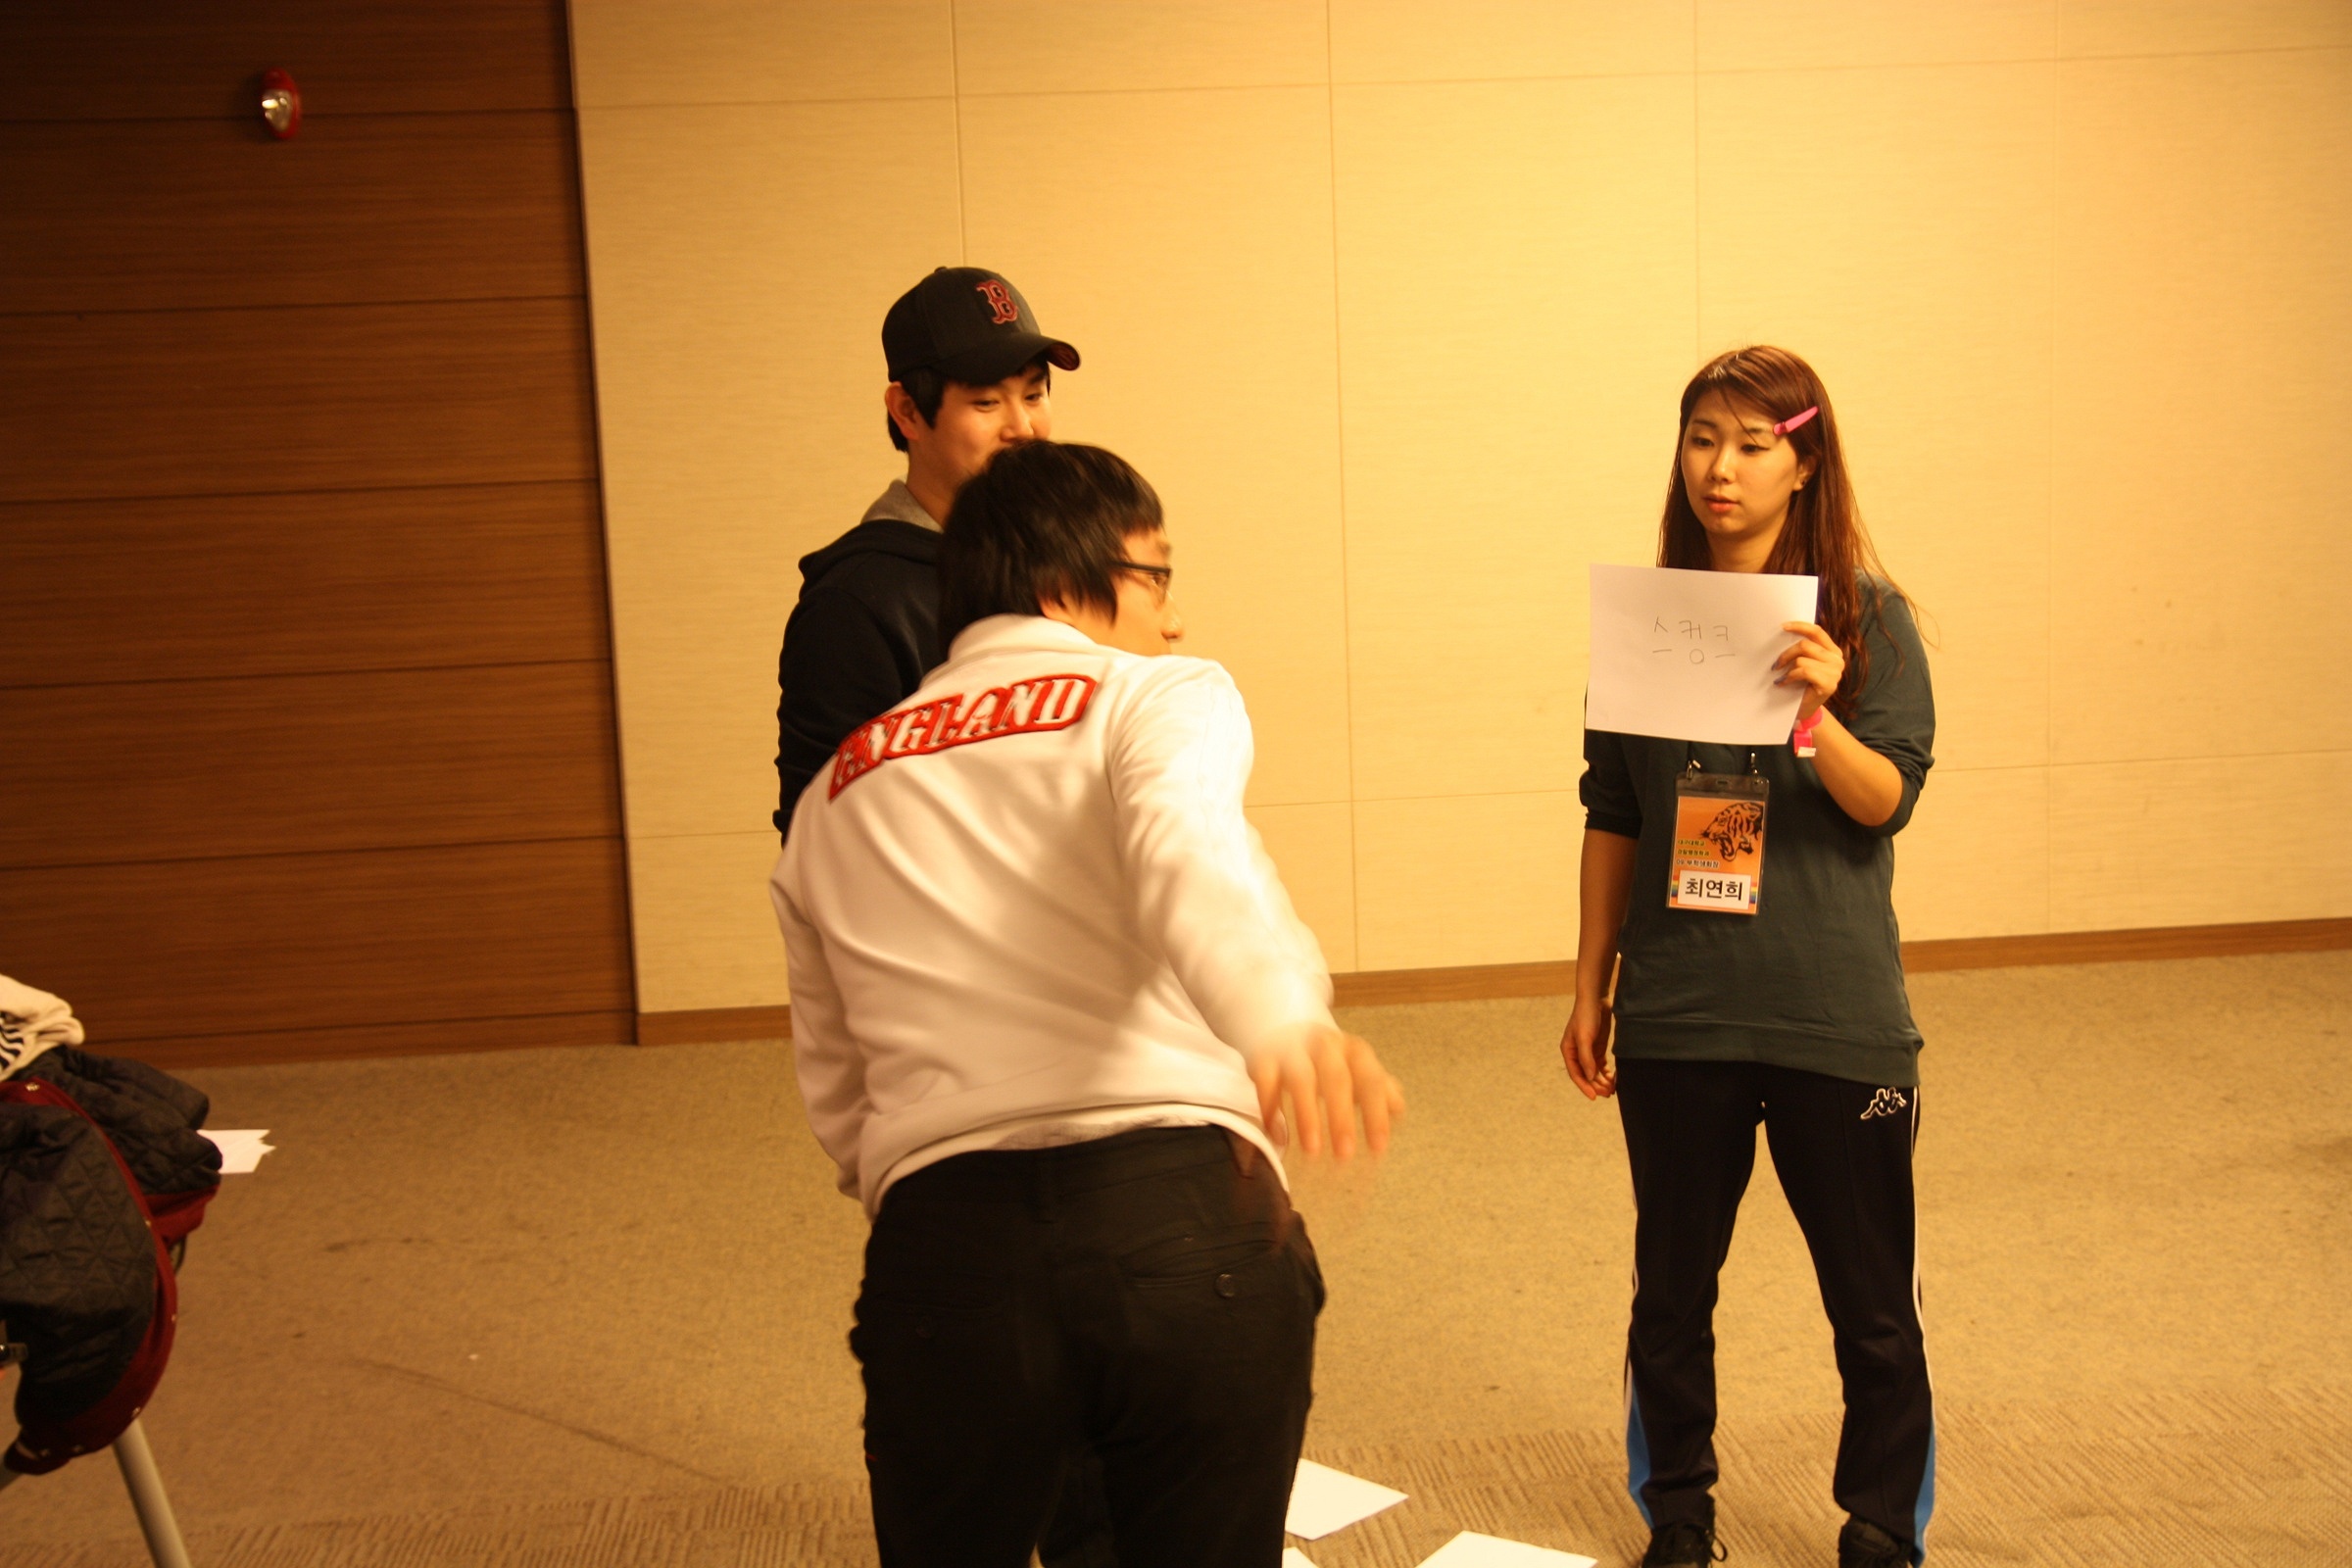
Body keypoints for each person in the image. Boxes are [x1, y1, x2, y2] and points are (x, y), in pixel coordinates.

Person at [770, 440, 1404, 1568]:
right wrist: (1277, 1019)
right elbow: (1185, 849)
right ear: (1066, 583)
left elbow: (840, 1084)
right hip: (1182, 1229)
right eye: (1157, 577)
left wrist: (933, 1209)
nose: (1173, 616)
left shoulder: (834, 790)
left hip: (944, 1257)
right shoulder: (1156, 693)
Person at [1560, 347, 1936, 1568]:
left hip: (1835, 1014)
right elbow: (1613, 811)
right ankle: (1679, 1512)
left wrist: (1817, 715)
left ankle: (1881, 1520)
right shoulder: (1650, 621)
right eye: (1702, 438)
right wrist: (1591, 985)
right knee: (1671, 1291)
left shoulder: (1867, 618)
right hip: (1682, 1010)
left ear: (1804, 461)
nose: (1721, 468)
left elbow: (1886, 802)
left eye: (1753, 443)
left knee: (1871, 1302)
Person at [771, 265, 1078, 839]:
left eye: (1034, 394)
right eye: (986, 402)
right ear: (908, 411)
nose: (1023, 427)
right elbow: (821, 833)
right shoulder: (855, 601)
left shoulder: (1058, 561)